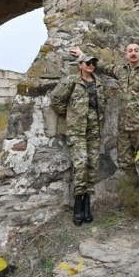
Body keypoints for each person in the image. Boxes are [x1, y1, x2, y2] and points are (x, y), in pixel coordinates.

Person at [70, 42, 139, 214]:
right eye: (130, 51)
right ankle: (132, 198)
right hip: (124, 127)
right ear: (126, 55)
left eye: (136, 51)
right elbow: (100, 67)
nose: (133, 53)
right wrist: (83, 55)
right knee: (125, 163)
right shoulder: (120, 71)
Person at [51, 53, 105, 226]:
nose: (91, 64)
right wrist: (70, 116)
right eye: (87, 62)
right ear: (80, 65)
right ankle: (78, 206)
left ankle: (87, 205)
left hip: (94, 129)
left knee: (92, 165)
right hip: (77, 131)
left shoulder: (99, 83)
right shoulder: (71, 82)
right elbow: (56, 100)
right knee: (81, 164)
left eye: (93, 62)